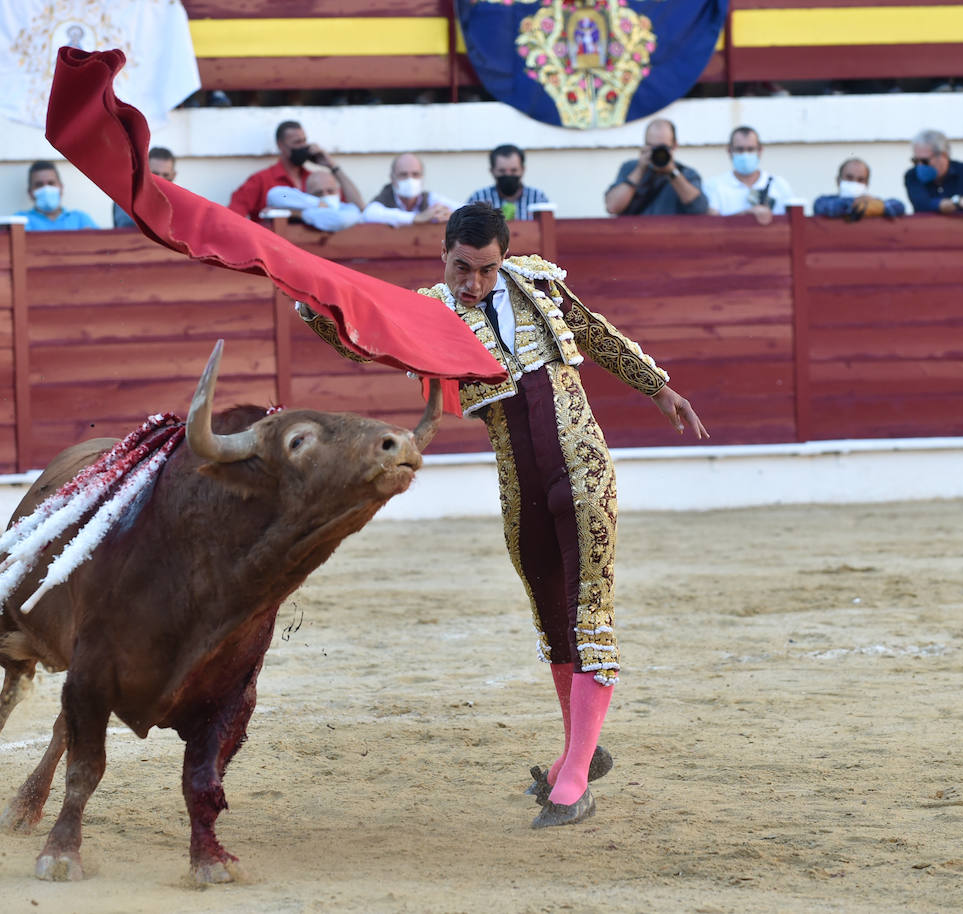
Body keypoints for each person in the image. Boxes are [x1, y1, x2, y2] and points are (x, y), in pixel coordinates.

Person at [298, 202, 707, 829]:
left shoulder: (537, 283)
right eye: (463, 268)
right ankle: (581, 750)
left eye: (487, 269)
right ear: (444, 257)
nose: (475, 283)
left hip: (581, 468)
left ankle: (573, 779)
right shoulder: (432, 311)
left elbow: (596, 334)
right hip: (518, 482)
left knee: (589, 608)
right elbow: (366, 340)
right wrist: (313, 304)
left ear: (505, 257)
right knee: (550, 614)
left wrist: (658, 387)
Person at [228, 120, 364, 221]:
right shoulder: (261, 180)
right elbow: (233, 216)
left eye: (304, 141)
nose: (303, 146)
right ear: (281, 146)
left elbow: (358, 207)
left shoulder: (316, 180)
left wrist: (333, 166)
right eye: (297, 143)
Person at [603, 118, 708, 216]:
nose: (658, 153)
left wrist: (672, 172)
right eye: (652, 146)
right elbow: (612, 207)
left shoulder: (687, 174)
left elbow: (699, 209)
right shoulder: (630, 168)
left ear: (674, 146)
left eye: (663, 148)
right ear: (644, 145)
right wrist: (640, 169)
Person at [706, 127, 796, 225]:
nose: (745, 155)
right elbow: (712, 226)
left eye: (751, 149)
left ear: (760, 151)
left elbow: (793, 222)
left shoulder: (779, 185)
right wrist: (747, 214)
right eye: (739, 150)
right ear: (729, 151)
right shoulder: (713, 186)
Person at [362, 153, 459, 227]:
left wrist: (451, 215)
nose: (410, 179)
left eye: (415, 174)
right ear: (392, 178)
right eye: (403, 175)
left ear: (422, 177)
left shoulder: (429, 198)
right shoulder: (385, 197)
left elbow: (464, 209)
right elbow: (369, 213)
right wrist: (415, 218)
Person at [466, 144, 550, 221]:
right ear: (492, 171)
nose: (508, 175)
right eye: (502, 171)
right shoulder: (479, 199)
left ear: (523, 170)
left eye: (514, 170)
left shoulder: (538, 198)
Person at [265, 169, 362, 232]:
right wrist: (317, 203)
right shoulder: (308, 203)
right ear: (307, 195)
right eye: (318, 193)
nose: (326, 195)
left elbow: (337, 220)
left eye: (330, 191)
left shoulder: (349, 209)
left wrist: (297, 214)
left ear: (338, 191)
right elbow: (274, 195)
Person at [813, 158, 906, 221]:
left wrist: (870, 205)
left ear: (867, 184)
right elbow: (825, 207)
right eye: (849, 178)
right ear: (838, 180)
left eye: (860, 180)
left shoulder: (872, 201)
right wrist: (858, 204)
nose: (854, 183)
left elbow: (898, 206)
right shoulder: (823, 201)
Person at [14, 161, 98, 231]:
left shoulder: (81, 219)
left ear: (61, 188)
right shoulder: (19, 221)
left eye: (51, 183)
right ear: (30, 192)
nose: (46, 188)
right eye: (39, 185)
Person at [113, 147, 177, 229]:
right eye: (155, 174)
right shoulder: (127, 200)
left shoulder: (184, 201)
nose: (161, 180)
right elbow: (126, 231)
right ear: (144, 172)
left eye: (166, 175)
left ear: (173, 176)